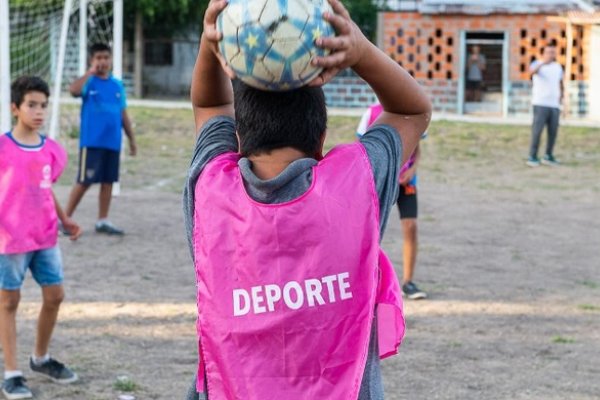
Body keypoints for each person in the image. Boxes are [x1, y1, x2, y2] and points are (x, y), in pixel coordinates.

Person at [183, 0, 431, 398]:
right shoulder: (357, 183)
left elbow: (210, 105)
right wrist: (361, 51)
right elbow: (412, 110)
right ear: (321, 141)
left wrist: (211, 42)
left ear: (239, 141)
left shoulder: (210, 191)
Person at [0, 76, 82, 400]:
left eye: (43, 105)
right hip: (10, 241)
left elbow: (45, 191)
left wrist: (65, 221)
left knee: (55, 296)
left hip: (45, 237)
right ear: (15, 108)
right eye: (32, 105)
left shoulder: (51, 150)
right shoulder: (3, 148)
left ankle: (41, 358)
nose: (39, 111)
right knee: (9, 302)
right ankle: (12, 373)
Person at [64, 43, 137, 235]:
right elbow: (73, 90)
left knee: (108, 181)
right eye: (98, 58)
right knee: (85, 180)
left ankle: (102, 220)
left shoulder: (116, 85)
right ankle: (65, 219)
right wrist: (89, 72)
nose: (103, 61)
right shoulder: (89, 82)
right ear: (92, 60)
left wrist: (131, 139)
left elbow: (123, 114)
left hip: (112, 142)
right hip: (92, 142)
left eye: (106, 57)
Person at [357, 104, 427, 300]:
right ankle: (367, 281)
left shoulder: (413, 107)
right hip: (379, 181)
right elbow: (362, 148)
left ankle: (408, 282)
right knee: (370, 231)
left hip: (406, 181)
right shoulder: (371, 113)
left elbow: (417, 148)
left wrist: (412, 171)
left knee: (410, 225)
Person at [527, 43, 563, 167]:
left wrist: (562, 100)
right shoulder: (537, 64)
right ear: (543, 53)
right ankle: (532, 156)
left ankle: (548, 155)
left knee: (553, 132)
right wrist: (543, 63)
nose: (551, 55)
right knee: (537, 131)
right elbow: (531, 73)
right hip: (540, 103)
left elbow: (559, 83)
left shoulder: (558, 67)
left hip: (554, 105)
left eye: (553, 52)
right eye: (548, 52)